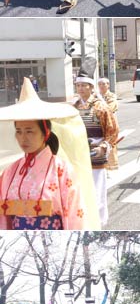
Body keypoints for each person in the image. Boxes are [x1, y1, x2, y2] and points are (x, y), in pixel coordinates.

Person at [0, 77, 93, 230]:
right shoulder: (11, 170)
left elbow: (75, 214)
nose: (23, 138)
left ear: (46, 133)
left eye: (30, 131)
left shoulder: (62, 169)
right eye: (19, 132)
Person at [73, 58, 119, 227]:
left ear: (91, 87)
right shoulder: (74, 107)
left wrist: (104, 146)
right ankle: (84, 218)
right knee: (81, 188)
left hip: (96, 152)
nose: (80, 89)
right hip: (79, 154)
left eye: (84, 85)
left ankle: (99, 220)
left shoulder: (101, 107)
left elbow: (112, 130)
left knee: (97, 188)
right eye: (78, 86)